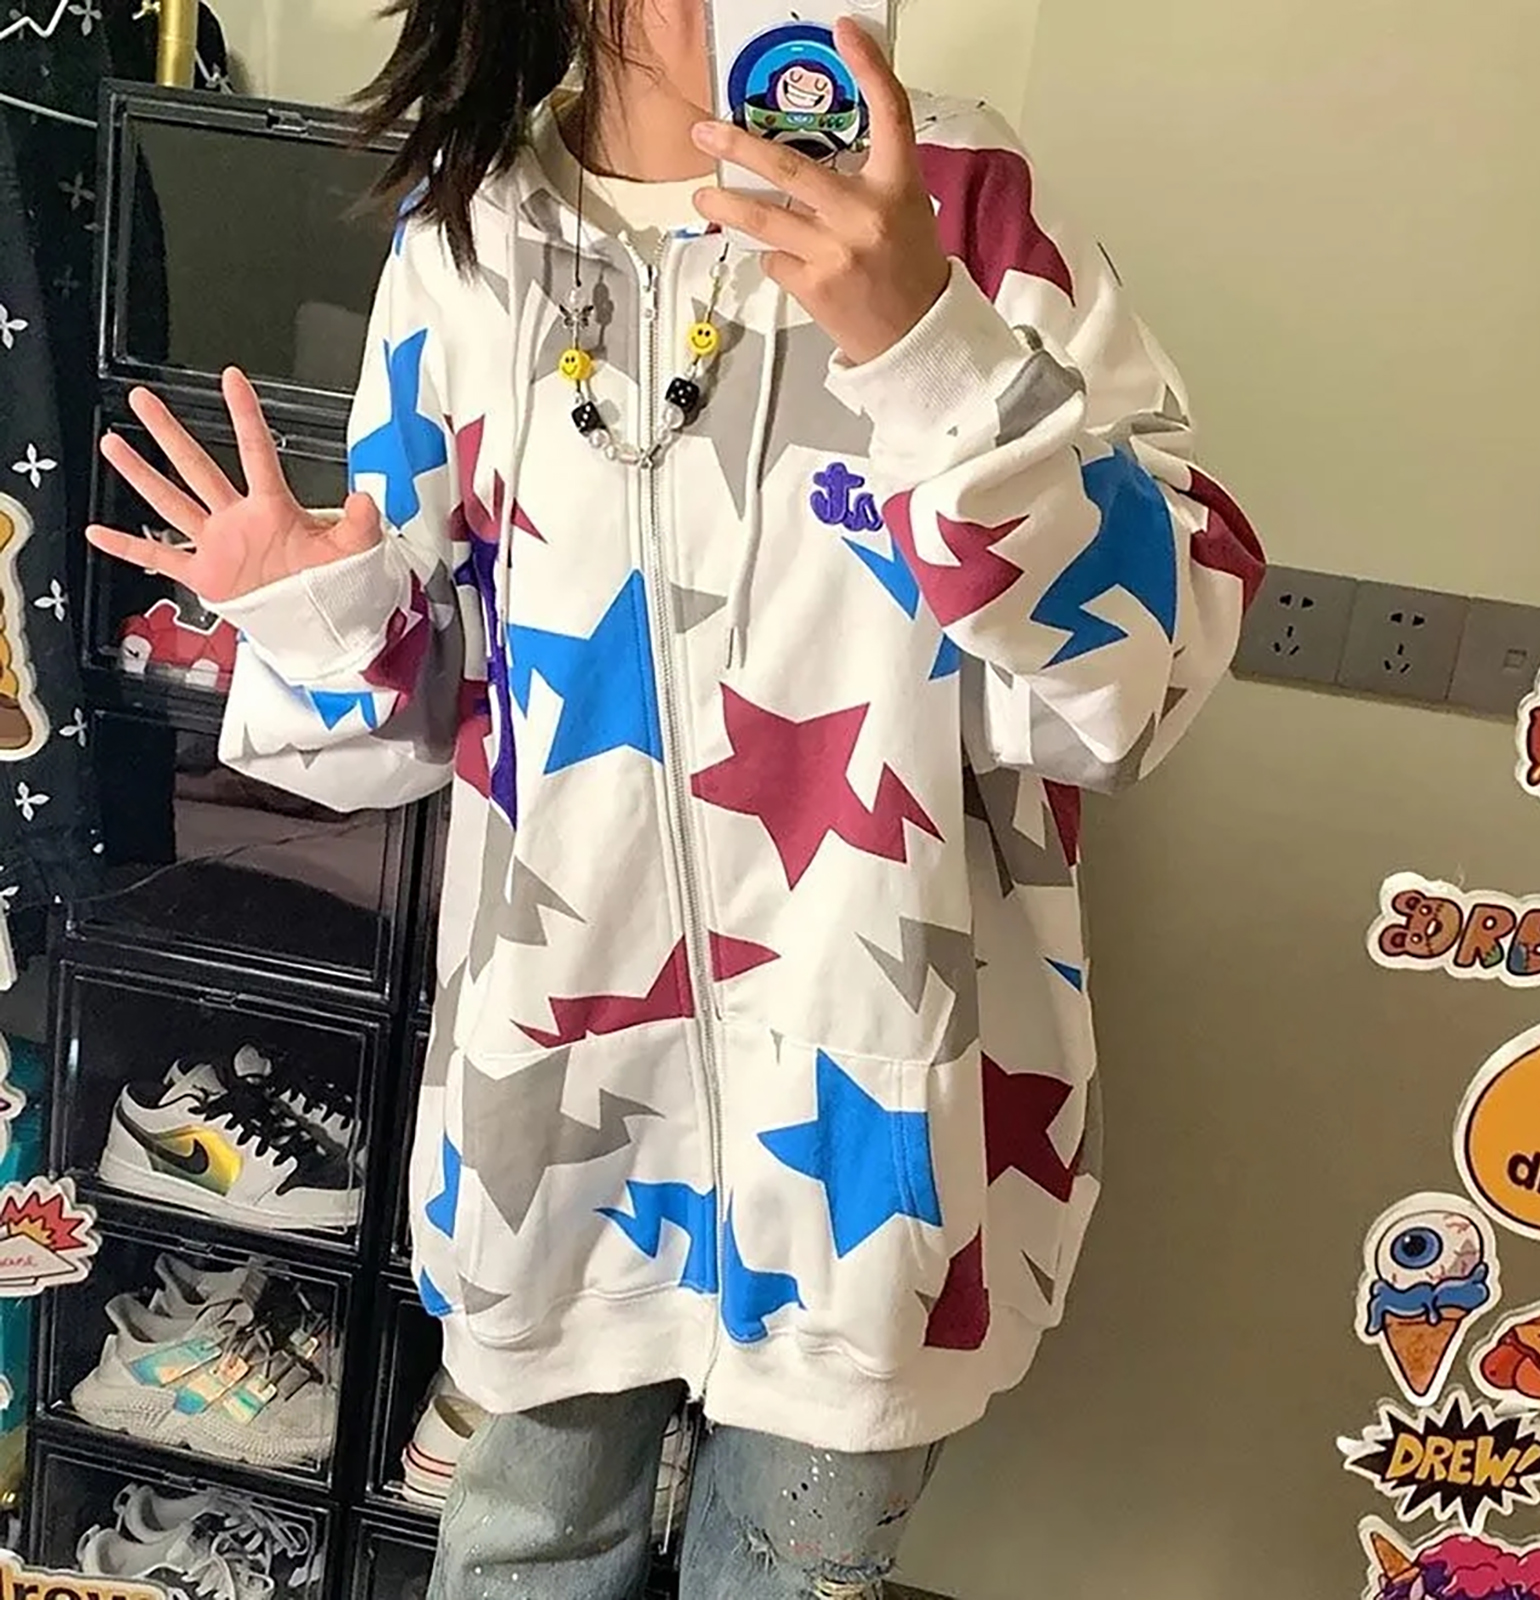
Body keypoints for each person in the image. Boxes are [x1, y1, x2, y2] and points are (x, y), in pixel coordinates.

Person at [86, 1, 1265, 1595]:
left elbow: (1152, 672)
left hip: (872, 1137)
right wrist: (318, 607)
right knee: (520, 1559)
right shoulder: (470, 234)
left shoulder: (960, 197)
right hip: (556, 1117)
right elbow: (417, 721)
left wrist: (933, 348)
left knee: (789, 1573)